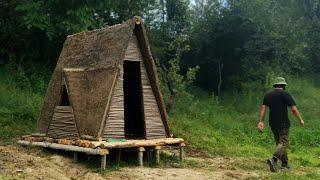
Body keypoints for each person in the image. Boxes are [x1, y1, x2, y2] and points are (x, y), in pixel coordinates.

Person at [257, 77, 304, 172]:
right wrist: (300, 119)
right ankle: (273, 159)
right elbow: (294, 110)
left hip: (272, 123)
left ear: (275, 85)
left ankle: (284, 163)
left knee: (280, 143)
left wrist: (261, 121)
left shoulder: (268, 95)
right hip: (283, 123)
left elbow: (263, 108)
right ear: (284, 85)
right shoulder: (285, 94)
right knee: (284, 143)